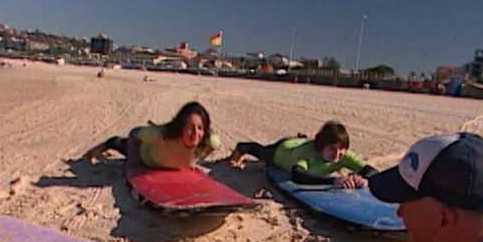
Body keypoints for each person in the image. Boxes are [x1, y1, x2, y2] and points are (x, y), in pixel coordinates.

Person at [228, 120, 377, 188]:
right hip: (283, 151)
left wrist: (363, 179)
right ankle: (239, 149)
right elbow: (297, 175)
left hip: (301, 145)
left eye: (341, 148)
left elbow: (371, 171)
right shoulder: (308, 155)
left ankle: (302, 138)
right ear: (321, 147)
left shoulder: (343, 155)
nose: (337, 154)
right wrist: (333, 181)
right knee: (258, 151)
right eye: (332, 148)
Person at [83, 101, 219, 171]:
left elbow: (212, 143)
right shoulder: (161, 136)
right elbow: (134, 133)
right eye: (190, 127)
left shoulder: (207, 142)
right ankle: (106, 145)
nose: (196, 133)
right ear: (180, 127)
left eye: (200, 128)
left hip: (164, 160)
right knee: (120, 144)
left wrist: (192, 162)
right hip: (146, 157)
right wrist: (134, 164)